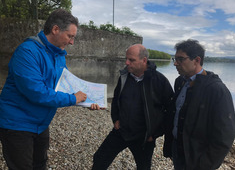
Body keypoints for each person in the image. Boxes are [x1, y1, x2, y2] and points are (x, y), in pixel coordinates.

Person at [0, 9, 99, 170]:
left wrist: (91, 100)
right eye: (70, 36)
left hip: (41, 123)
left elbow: (68, 84)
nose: (72, 42)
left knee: (40, 165)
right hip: (17, 124)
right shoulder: (27, 51)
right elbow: (36, 92)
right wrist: (74, 99)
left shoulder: (58, 55)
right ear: (55, 29)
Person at [92, 44, 174, 170]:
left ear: (144, 60)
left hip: (144, 137)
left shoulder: (159, 81)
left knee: (143, 167)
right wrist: (116, 120)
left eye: (131, 60)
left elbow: (170, 110)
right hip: (121, 131)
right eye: (126, 59)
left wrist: (155, 133)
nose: (126, 62)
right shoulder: (124, 77)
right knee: (99, 159)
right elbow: (116, 100)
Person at [163, 39, 235, 170]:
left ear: (196, 60)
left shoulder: (216, 90)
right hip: (178, 150)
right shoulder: (180, 82)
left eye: (180, 59)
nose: (175, 63)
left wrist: (205, 164)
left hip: (198, 159)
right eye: (175, 58)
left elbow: (225, 136)